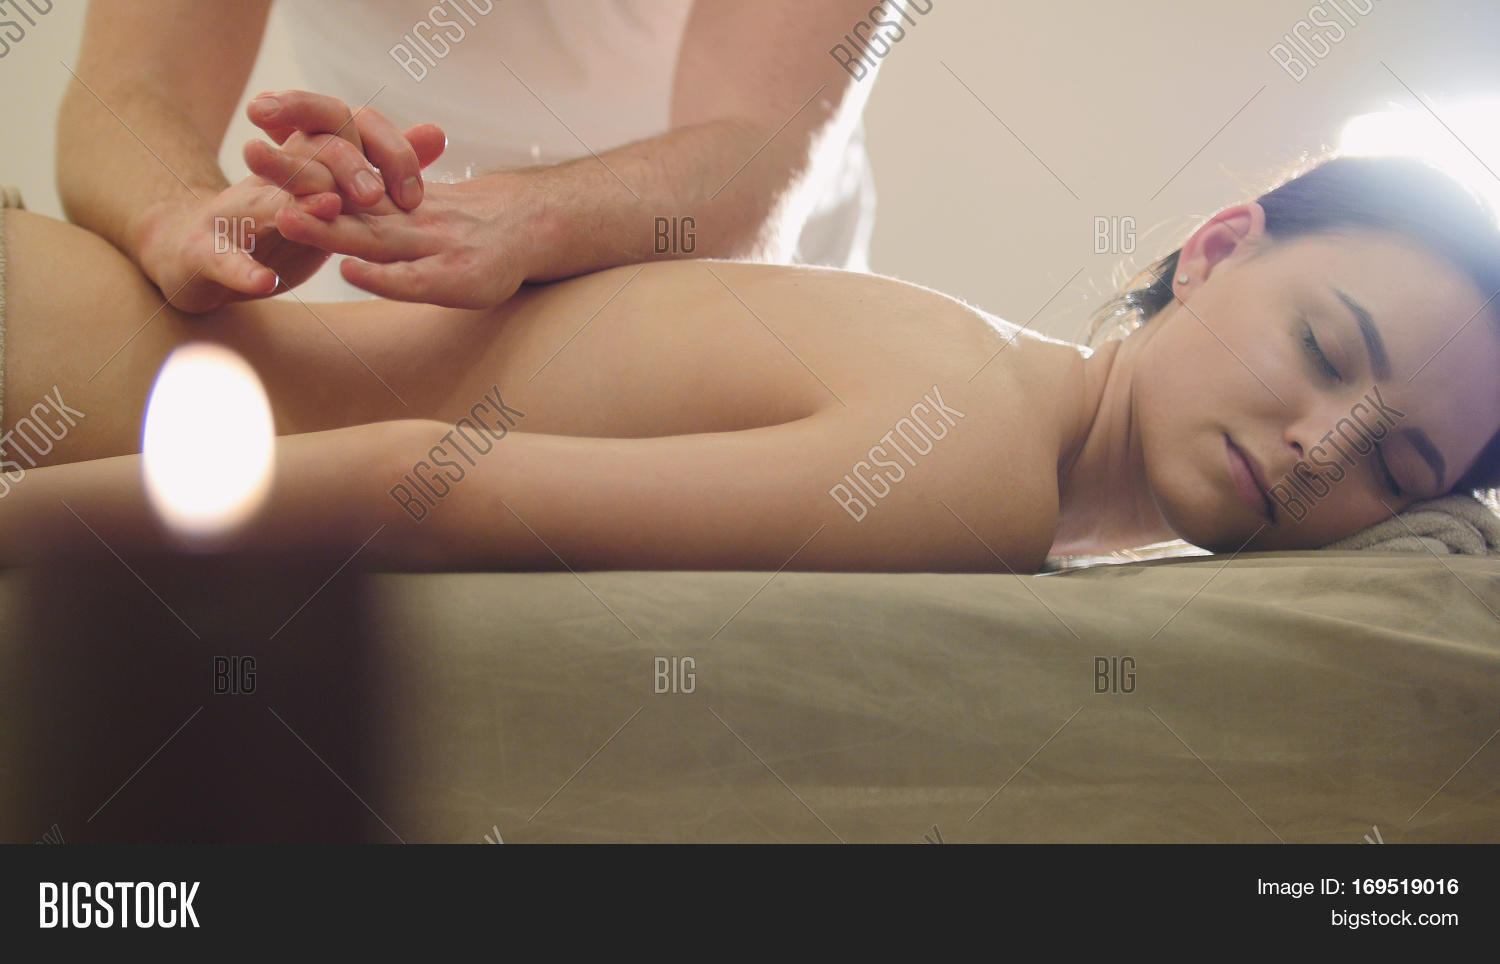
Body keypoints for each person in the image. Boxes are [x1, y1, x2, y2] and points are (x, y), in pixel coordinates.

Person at [3, 154, 1498, 572]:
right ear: (1219, 248)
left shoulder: (976, 384)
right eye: (1325, 350)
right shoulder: (974, 458)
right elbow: (418, 485)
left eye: (1399, 464)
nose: (1321, 446)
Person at [56, 0, 883, 313]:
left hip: (716, 285)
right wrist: (187, 218)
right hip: (388, 285)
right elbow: (124, 92)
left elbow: (755, 154)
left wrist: (533, 218)